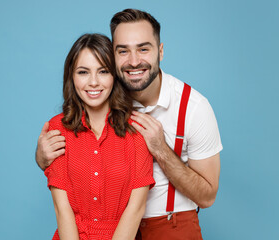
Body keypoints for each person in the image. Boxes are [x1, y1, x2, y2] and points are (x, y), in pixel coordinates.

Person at [37, 9, 223, 240]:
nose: (134, 61)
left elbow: (207, 197)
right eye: (123, 51)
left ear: (160, 51)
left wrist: (161, 149)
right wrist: (43, 158)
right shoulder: (104, 91)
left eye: (144, 49)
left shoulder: (193, 107)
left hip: (167, 224)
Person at [43, 33, 155, 239]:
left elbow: (136, 208)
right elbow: (62, 208)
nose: (93, 82)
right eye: (83, 72)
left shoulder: (138, 129)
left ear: (115, 76)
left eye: (103, 71)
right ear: (72, 76)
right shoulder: (57, 128)